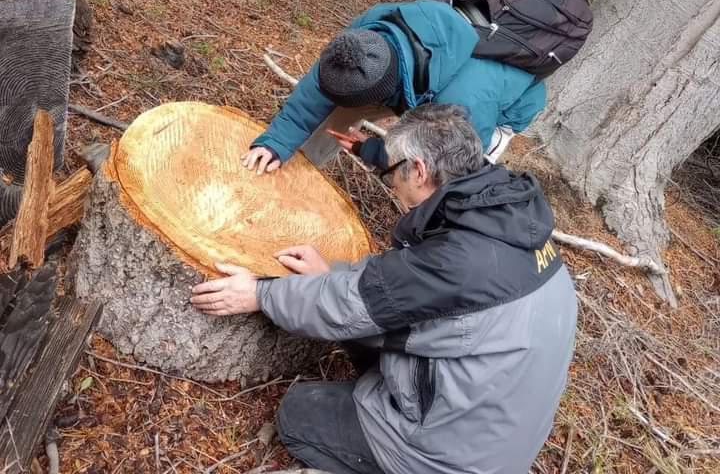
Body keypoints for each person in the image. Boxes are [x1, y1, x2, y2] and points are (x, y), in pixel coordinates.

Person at [192, 104, 577, 474]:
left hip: (448, 458)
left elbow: (356, 304)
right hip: (493, 434)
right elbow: (399, 290)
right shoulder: (506, 218)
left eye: (393, 172)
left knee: (299, 412)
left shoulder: (458, 263)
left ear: (420, 171)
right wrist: (330, 274)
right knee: (366, 331)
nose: (391, 182)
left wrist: (261, 293)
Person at [242, 0, 546, 174]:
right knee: (332, 116)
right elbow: (317, 89)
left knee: (429, 179)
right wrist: (276, 142)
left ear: (384, 96)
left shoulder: (461, 105)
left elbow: (455, 171)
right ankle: (293, 172)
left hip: (499, 108)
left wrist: (374, 151)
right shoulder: (373, 28)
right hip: (419, 75)